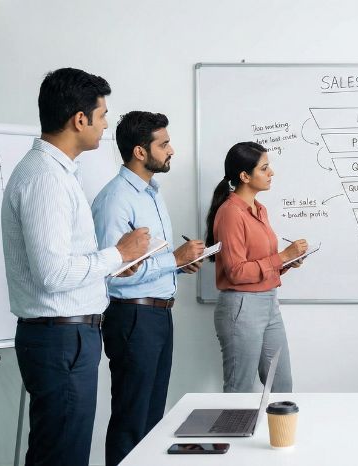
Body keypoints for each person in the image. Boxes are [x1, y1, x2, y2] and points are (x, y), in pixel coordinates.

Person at [1, 68, 149, 466]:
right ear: (78, 119)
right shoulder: (46, 178)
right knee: (62, 454)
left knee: (62, 449)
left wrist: (110, 268)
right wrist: (117, 254)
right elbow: (52, 275)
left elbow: (62, 264)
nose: (104, 125)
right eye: (101, 116)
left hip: (67, 337)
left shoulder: (56, 172)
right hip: (60, 339)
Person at [91, 111, 205, 465]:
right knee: (131, 418)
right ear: (140, 152)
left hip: (156, 315)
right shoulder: (115, 199)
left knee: (153, 419)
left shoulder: (151, 194)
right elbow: (114, 272)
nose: (171, 150)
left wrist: (181, 264)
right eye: (164, 143)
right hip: (132, 317)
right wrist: (173, 259)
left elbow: (149, 262)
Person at [205, 142, 307, 393]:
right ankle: (233, 432)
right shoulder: (231, 213)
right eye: (264, 168)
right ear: (244, 176)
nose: (271, 172)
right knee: (239, 388)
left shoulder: (260, 210)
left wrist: (287, 262)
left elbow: (262, 261)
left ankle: (278, 433)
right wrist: (281, 256)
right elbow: (237, 272)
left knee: (281, 385)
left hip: (268, 302)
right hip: (242, 306)